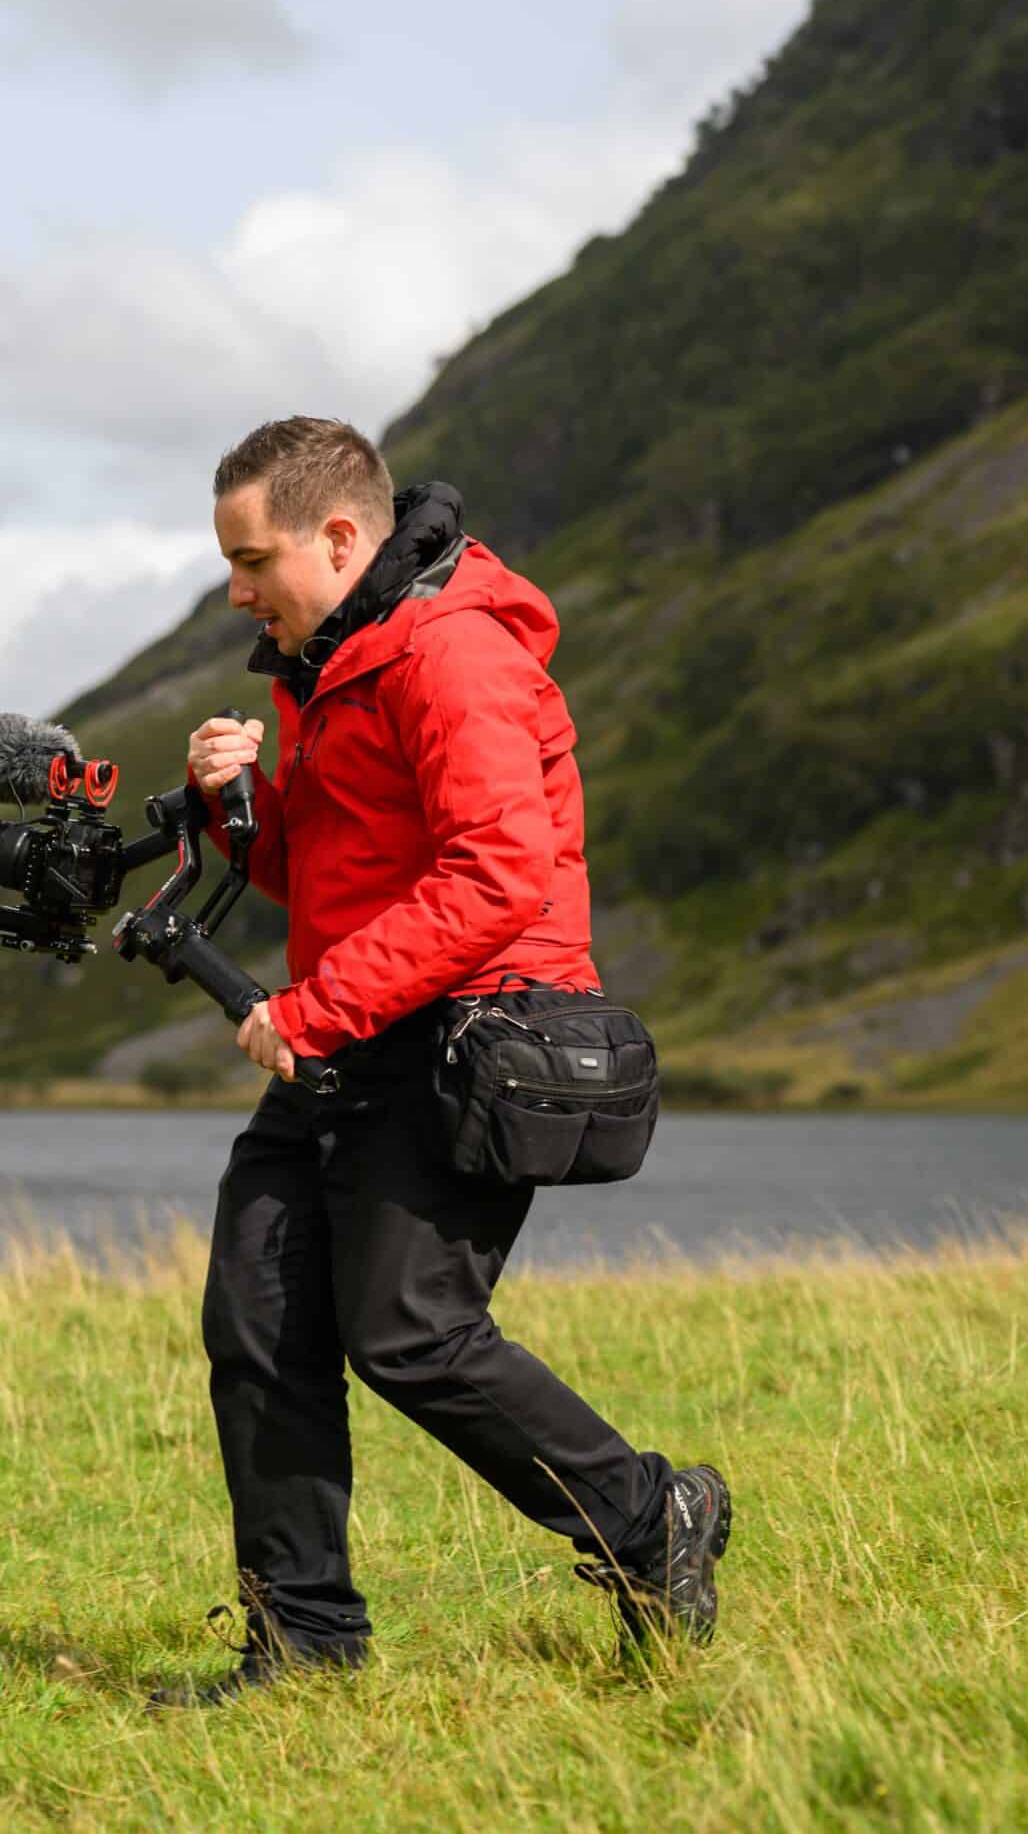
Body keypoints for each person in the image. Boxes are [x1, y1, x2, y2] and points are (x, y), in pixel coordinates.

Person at [155, 416, 728, 1705]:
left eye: (254, 562)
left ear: (341, 537)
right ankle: (303, 1647)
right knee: (257, 1325)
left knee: (411, 1333)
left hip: (477, 1033)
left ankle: (653, 1521)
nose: (239, 592)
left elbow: (498, 873)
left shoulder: (451, 655)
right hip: (360, 1032)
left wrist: (312, 1010)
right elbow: (327, 872)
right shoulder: (336, 660)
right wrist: (231, 807)